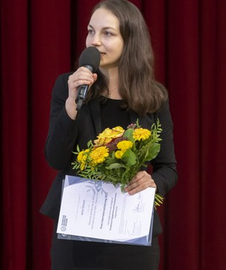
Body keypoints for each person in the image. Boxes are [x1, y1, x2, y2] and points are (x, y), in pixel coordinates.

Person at [40, 1, 178, 269]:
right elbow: (55, 159)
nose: (94, 42)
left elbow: (168, 168)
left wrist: (151, 182)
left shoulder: (154, 97)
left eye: (107, 33)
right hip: (77, 236)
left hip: (132, 235)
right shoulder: (68, 86)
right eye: (91, 31)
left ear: (130, 39)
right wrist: (71, 106)